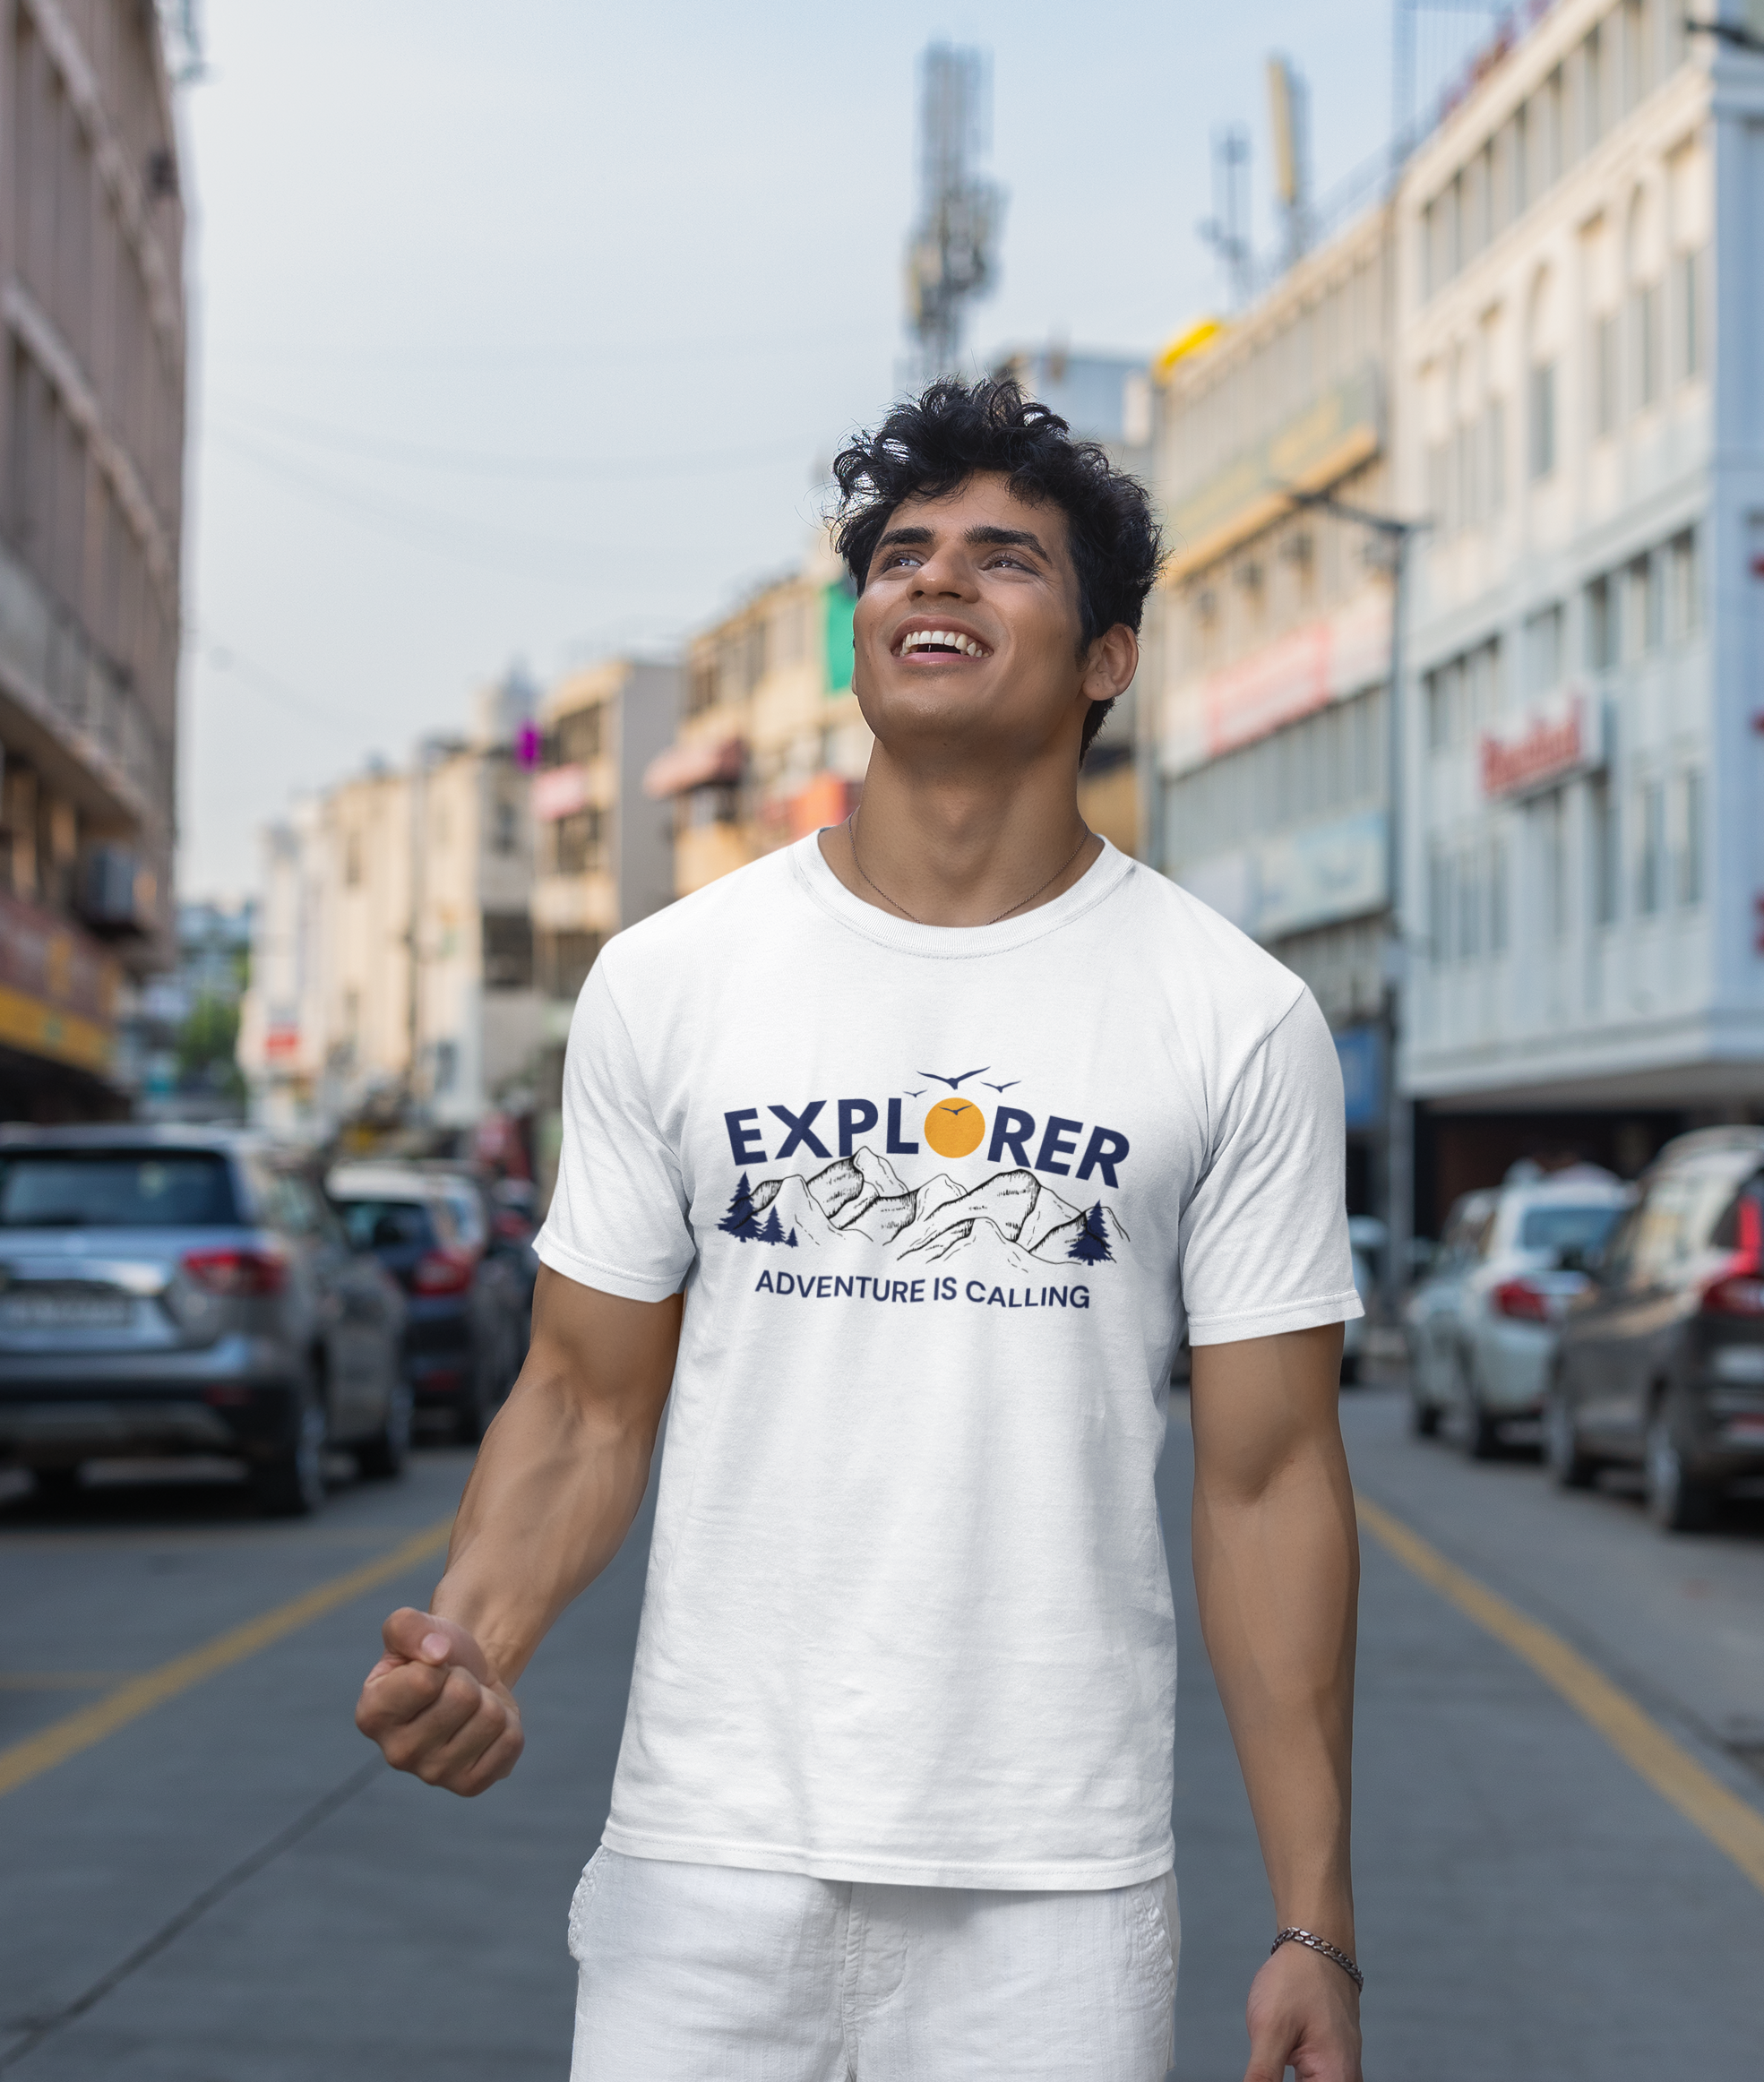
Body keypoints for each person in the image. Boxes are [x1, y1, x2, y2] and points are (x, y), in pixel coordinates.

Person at [357, 378, 1366, 2082]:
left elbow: (1269, 1482)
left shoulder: (1235, 1018)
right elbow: (587, 1399)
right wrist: (475, 1643)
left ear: (1109, 658)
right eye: (900, 556)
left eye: (1004, 558)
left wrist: (1314, 1923)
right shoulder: (672, 981)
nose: (936, 579)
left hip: (1055, 1893)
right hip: (704, 1868)